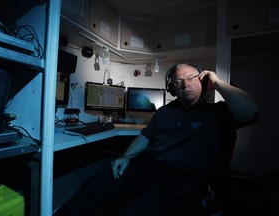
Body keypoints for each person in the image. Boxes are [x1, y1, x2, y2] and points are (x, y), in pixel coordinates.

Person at [54, 63, 260, 216]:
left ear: (202, 81)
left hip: (182, 177)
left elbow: (251, 112)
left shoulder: (216, 113)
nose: (185, 84)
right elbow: (146, 137)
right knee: (93, 187)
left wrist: (216, 82)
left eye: (191, 77)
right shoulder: (163, 112)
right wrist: (126, 157)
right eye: (178, 81)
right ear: (171, 88)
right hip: (147, 166)